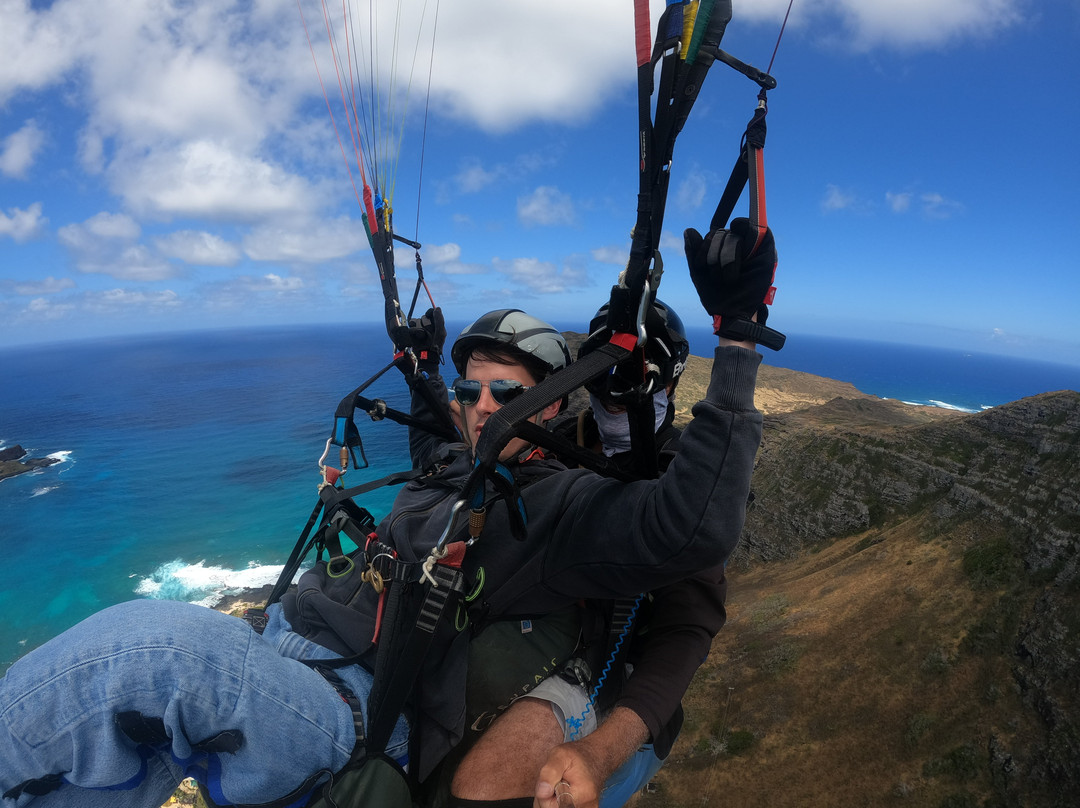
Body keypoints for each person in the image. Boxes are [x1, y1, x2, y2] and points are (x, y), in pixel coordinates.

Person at [0, 218, 775, 808]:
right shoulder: (465, 459)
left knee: (141, 653)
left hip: (354, 703)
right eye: (474, 391)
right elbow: (447, 427)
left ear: (545, 406)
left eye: (508, 398)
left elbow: (695, 539)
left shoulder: (561, 500)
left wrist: (736, 344)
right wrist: (418, 365)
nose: (483, 411)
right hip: (292, 643)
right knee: (126, 752)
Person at [449, 301, 729, 808]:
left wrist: (602, 752)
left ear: (667, 385)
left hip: (620, 690)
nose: (614, 400)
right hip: (546, 643)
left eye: (632, 383)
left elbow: (686, 630)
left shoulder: (684, 490)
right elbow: (485, 434)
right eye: (603, 380)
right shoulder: (562, 443)